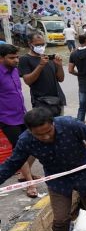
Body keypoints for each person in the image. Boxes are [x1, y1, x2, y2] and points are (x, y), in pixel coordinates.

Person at [0, 44, 36, 197]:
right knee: (19, 149)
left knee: (34, 143)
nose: (16, 60)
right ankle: (30, 184)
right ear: (1, 58)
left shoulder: (15, 71)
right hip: (7, 119)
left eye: (17, 57)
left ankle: (24, 174)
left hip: (22, 115)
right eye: (12, 58)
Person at [18, 33, 66, 117]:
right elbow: (28, 81)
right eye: (37, 45)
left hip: (58, 100)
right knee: (45, 127)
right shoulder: (25, 59)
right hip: (41, 102)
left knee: (59, 127)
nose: (41, 47)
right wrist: (40, 66)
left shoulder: (48, 58)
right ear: (30, 44)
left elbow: (61, 79)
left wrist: (59, 65)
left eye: (42, 44)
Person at [69, 33, 86, 123]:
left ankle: (79, 126)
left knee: (82, 108)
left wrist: (80, 74)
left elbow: (70, 70)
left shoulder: (73, 54)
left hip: (82, 84)